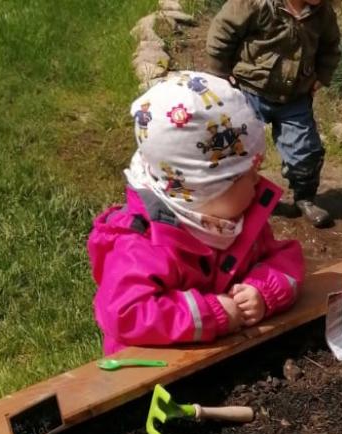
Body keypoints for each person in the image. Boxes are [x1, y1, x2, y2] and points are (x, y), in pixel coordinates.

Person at [89, 72, 305, 355]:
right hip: (154, 380)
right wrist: (211, 314)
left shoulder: (237, 218)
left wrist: (264, 291)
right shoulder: (142, 244)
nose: (257, 181)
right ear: (203, 189)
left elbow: (285, 257)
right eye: (244, 175)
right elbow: (125, 312)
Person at [206, 0, 341, 228]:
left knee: (305, 150)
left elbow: (330, 46)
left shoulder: (322, 14)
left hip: (295, 97)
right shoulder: (255, 4)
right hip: (249, 90)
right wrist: (222, 73)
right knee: (237, 148)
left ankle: (304, 198)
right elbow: (222, 32)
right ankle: (230, 198)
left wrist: (322, 76)